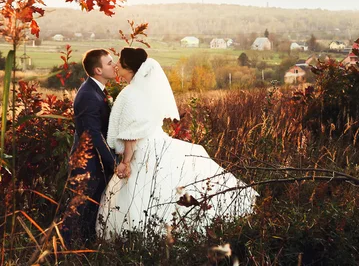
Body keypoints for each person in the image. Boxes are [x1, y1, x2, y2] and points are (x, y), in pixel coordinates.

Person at [96, 48, 258, 239]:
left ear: (129, 68)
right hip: (158, 143)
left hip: (143, 151)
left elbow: (132, 132)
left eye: (119, 63)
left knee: (139, 195)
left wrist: (126, 161)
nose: (115, 66)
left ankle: (137, 238)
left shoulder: (130, 94)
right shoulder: (145, 92)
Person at [62, 49, 117, 247]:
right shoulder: (88, 95)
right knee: (78, 210)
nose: (115, 65)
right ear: (98, 70)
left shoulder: (96, 90)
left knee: (90, 210)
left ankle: (85, 248)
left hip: (94, 162)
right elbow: (93, 135)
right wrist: (113, 163)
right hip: (86, 163)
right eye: (110, 63)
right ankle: (61, 250)